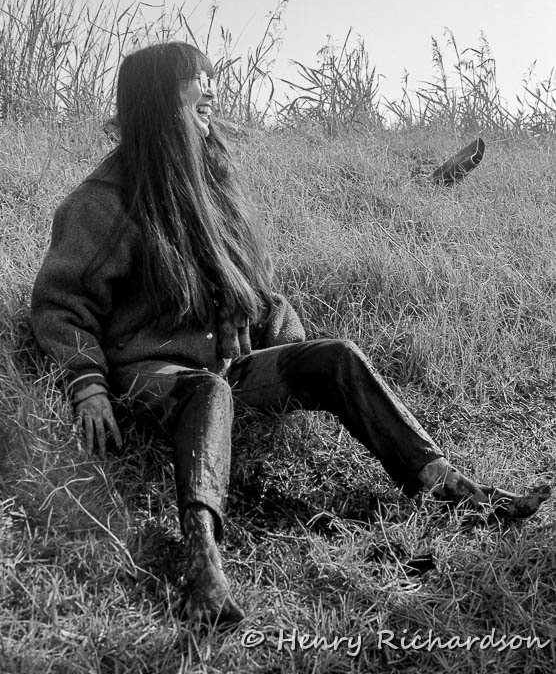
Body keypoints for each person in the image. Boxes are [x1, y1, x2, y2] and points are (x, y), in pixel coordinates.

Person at [31, 41, 550, 626]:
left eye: (210, 89)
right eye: (196, 92)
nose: (211, 99)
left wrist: (288, 350)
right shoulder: (102, 202)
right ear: (156, 106)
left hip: (225, 367)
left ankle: (447, 485)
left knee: (336, 357)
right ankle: (201, 556)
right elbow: (60, 304)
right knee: (208, 390)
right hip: (150, 375)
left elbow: (256, 291)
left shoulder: (211, 183)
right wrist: (87, 385)